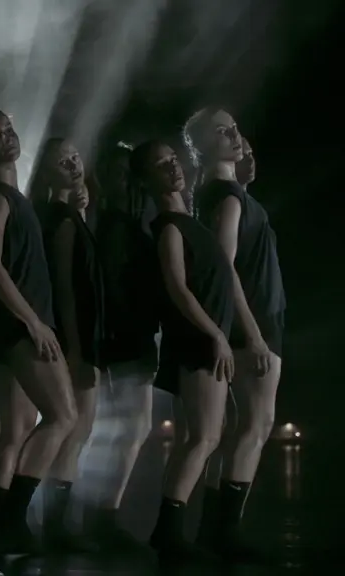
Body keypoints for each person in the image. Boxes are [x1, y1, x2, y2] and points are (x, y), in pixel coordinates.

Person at [0, 108, 78, 556]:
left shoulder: (14, 196)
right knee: (63, 417)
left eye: (8, 128)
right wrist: (32, 321)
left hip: (18, 325)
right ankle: (11, 518)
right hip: (20, 326)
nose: (6, 136)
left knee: (16, 430)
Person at [132, 140, 235, 562]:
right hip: (196, 341)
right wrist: (216, 335)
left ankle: (169, 531)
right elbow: (178, 288)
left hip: (202, 339)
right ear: (146, 180)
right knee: (204, 436)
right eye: (160, 165)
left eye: (172, 159)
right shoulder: (170, 228)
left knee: (198, 436)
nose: (172, 167)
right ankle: (169, 532)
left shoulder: (188, 223)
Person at [188, 111, 284, 561]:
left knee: (237, 429)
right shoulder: (225, 198)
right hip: (254, 321)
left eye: (234, 127)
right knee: (255, 425)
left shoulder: (226, 194)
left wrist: (242, 183)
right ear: (201, 146)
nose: (235, 134)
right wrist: (254, 334)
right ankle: (224, 532)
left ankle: (213, 530)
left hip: (254, 319)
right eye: (221, 130)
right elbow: (225, 268)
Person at [29, 138, 105, 551]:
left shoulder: (65, 216)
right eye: (63, 162)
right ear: (47, 172)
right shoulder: (59, 220)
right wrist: (75, 348)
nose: (74, 165)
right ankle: (55, 524)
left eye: (75, 157)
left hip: (78, 333)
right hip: (74, 335)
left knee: (75, 430)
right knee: (75, 429)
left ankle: (54, 521)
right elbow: (65, 287)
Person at [85, 143, 160, 549]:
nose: (126, 181)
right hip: (126, 337)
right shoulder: (117, 226)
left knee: (126, 428)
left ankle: (97, 514)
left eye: (129, 173)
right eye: (117, 173)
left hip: (129, 335)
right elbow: (114, 287)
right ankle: (101, 516)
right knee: (130, 427)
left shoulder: (124, 223)